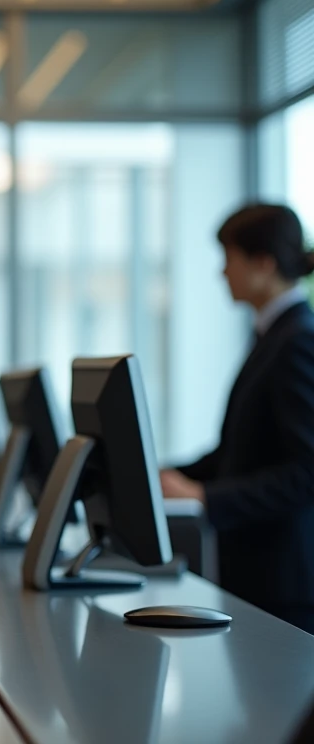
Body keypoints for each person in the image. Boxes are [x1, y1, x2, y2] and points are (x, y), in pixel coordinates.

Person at [161, 202, 314, 633]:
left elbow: (306, 472)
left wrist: (206, 497)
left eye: (228, 260)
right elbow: (241, 451)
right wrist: (174, 476)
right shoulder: (274, 337)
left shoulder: (297, 341)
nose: (221, 273)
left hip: (285, 588)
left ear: (263, 264)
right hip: (261, 580)